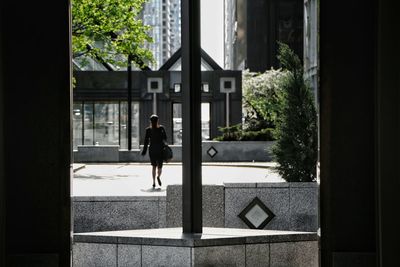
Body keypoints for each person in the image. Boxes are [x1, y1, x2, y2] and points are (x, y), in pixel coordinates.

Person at [141, 114, 167, 188]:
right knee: (160, 166)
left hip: (152, 150)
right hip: (160, 149)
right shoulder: (161, 128)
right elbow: (165, 138)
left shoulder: (148, 130)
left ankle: (153, 182)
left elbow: (146, 142)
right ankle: (158, 176)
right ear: (157, 120)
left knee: (153, 166)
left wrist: (144, 151)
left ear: (150, 121)